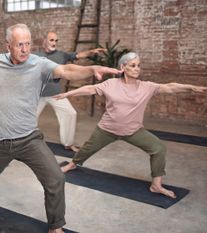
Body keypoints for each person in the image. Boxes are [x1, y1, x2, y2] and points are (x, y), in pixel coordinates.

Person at [0, 24, 121, 233]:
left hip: (28, 139)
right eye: (19, 45)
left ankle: (56, 225)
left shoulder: (39, 64)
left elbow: (66, 70)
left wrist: (89, 69)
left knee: (55, 178)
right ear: (9, 46)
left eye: (27, 44)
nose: (24, 49)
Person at [56, 52, 207, 199]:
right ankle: (73, 164)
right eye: (133, 65)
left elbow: (170, 87)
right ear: (123, 67)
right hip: (107, 129)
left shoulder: (146, 87)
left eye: (139, 66)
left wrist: (191, 87)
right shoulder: (111, 84)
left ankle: (156, 185)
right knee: (87, 149)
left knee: (159, 148)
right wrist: (68, 94)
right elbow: (90, 89)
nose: (137, 68)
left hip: (133, 131)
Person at [35, 31, 106, 152]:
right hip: (37, 95)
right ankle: (19, 142)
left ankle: (68, 143)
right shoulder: (35, 55)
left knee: (70, 113)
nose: (54, 43)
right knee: (26, 118)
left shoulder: (62, 55)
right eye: (52, 40)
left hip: (55, 94)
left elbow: (78, 55)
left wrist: (90, 52)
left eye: (56, 40)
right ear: (44, 41)